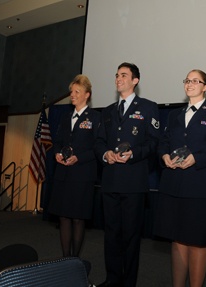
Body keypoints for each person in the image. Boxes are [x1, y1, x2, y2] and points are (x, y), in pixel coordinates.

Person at [154, 69, 206, 287]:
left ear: (205, 87)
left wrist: (196, 159)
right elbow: (163, 141)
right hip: (174, 185)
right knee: (177, 239)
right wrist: (163, 155)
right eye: (187, 80)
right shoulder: (174, 115)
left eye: (195, 80)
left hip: (202, 187)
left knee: (197, 241)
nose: (190, 84)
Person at [94, 62, 160, 287]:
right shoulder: (108, 111)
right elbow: (99, 141)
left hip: (133, 182)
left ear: (135, 80)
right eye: (116, 75)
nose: (118, 78)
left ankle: (128, 282)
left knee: (131, 237)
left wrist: (133, 153)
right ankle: (112, 279)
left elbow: (153, 143)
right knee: (111, 235)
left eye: (124, 75)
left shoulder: (149, 108)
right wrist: (105, 154)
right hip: (110, 181)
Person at [48, 74, 100, 258]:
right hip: (63, 173)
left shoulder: (95, 117)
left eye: (77, 91)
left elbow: (97, 147)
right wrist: (57, 153)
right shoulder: (65, 116)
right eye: (72, 91)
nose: (73, 95)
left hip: (82, 175)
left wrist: (79, 157)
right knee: (63, 217)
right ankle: (65, 259)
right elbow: (58, 141)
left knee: (78, 218)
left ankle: (74, 260)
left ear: (87, 94)